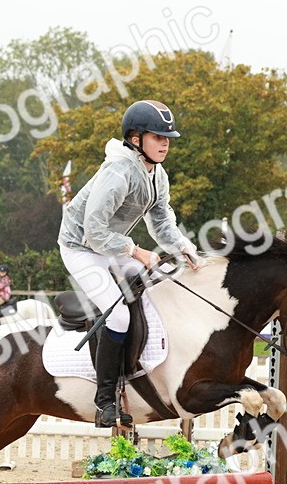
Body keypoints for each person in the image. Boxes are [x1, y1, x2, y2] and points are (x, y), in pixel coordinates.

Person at [57, 98, 200, 427]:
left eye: (167, 138)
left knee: (156, 285)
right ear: (136, 139)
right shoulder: (119, 173)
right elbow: (94, 231)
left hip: (110, 247)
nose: (165, 144)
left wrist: (185, 248)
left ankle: (137, 373)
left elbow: (162, 223)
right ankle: (104, 401)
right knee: (119, 314)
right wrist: (137, 252)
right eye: (158, 137)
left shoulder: (156, 174)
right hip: (81, 247)